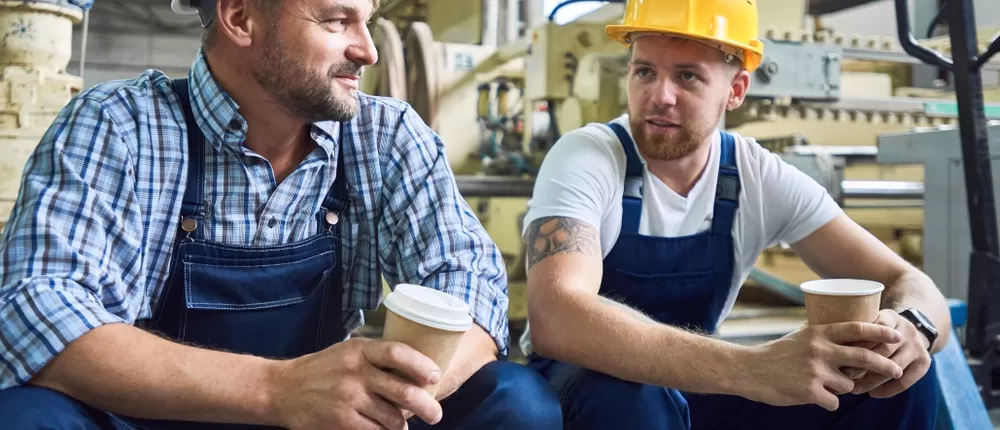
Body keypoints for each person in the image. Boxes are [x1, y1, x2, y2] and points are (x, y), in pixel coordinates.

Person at [0, 0, 562, 428]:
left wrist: (388, 397)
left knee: (517, 402)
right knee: (26, 416)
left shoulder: (385, 135)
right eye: (337, 20)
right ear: (241, 17)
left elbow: (472, 282)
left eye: (368, 20)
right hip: (150, 415)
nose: (367, 50)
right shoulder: (119, 126)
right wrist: (278, 389)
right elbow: (36, 309)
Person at [520, 1, 951, 429]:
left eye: (687, 76)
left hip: (698, 387)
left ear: (737, 90)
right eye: (644, 71)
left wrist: (913, 328)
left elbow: (910, 283)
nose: (660, 96)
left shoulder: (755, 175)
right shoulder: (589, 156)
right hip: (581, 393)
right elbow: (557, 317)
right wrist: (755, 368)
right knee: (630, 395)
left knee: (900, 378)